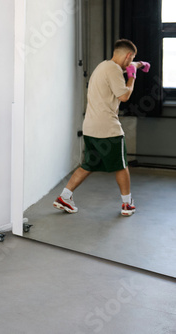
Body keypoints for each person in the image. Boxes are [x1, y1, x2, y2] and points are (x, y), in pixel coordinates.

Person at [53, 39, 150, 217]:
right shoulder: (114, 70)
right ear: (128, 55)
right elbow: (124, 96)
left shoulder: (103, 67)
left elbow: (124, 67)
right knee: (121, 166)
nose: (131, 63)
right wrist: (132, 76)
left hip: (91, 127)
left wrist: (139, 64)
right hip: (108, 129)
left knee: (88, 164)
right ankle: (127, 204)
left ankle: (64, 197)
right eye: (132, 58)